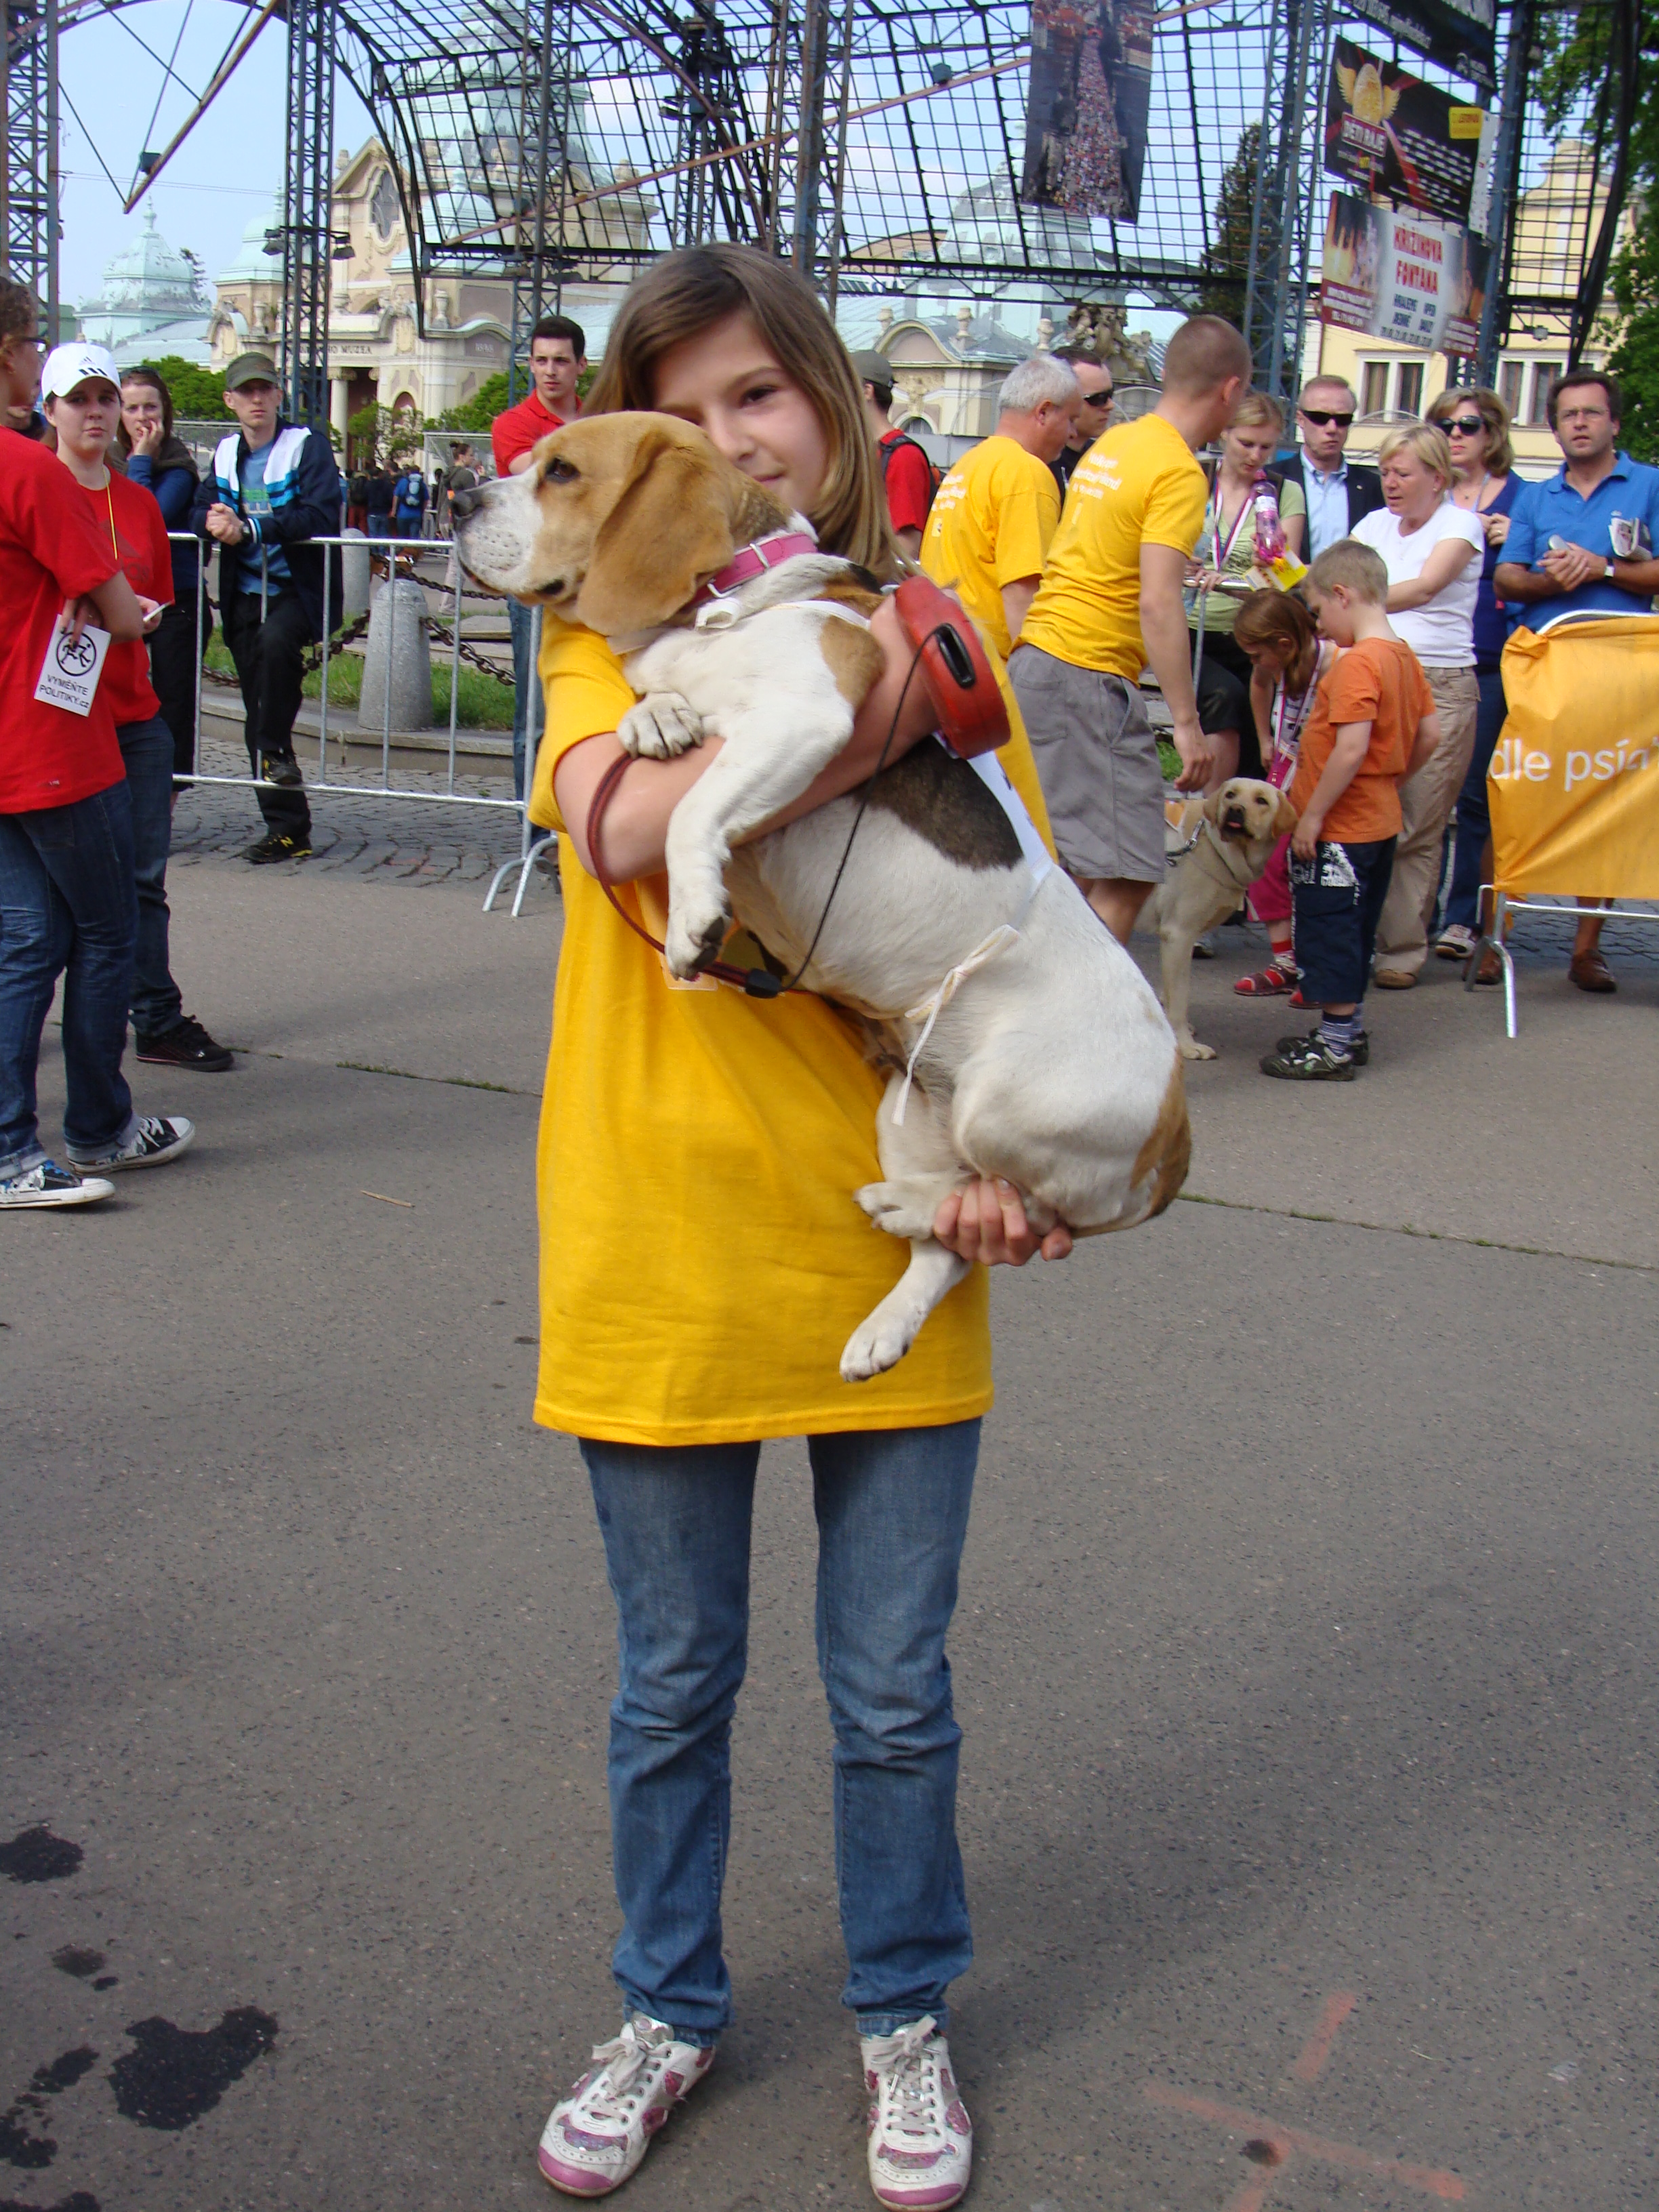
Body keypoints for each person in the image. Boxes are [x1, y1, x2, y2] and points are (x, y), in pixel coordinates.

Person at [523, 240, 1069, 2211]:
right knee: (672, 1681)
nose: (721, 439)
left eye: (757, 393)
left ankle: (901, 2009)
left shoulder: (910, 638)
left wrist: (1012, 1161)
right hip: (656, 1219)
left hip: (883, 1223)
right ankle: (666, 2002)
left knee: (894, 1688)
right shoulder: (607, 637)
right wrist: (889, 688)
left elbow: (992, 955)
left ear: (832, 414)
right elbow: (625, 829)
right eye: (672, 415)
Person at [0, 297, 193, 1208]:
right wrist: (113, 606)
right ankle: (96, 1128)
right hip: (48, 743)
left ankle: (15, 1145)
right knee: (107, 930)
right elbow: (121, 608)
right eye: (33, 350)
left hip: (32, 734)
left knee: (30, 940)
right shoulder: (27, 471)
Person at [1010, 314, 1246, 943]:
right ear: (1230, 391)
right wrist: (1188, 727)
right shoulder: (1178, 470)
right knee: (1131, 869)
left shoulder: (1116, 443)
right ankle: (1070, 1029)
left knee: (1074, 872)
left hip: (1038, 661)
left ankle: (1044, 1013)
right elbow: (1160, 604)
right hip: (1087, 675)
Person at [48, 349, 232, 1075]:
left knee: (142, 878)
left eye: (106, 400)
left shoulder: (134, 502)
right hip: (61, 718)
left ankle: (154, 1015)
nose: (97, 413)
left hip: (134, 714)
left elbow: (150, 591)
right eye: (83, 400)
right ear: (54, 409)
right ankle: (34, 1017)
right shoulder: (37, 488)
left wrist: (135, 614)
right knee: (51, 899)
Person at [1493, 369, 1659, 995]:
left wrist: (1605, 566)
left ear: (1615, 422)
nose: (1581, 423)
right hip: (1546, 665)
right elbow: (1508, 578)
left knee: (1609, 803)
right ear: (1555, 427)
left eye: (1592, 413)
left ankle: (1587, 946)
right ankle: (1497, 935)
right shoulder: (1536, 496)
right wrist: (1553, 580)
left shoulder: (1650, 485)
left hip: (1622, 668)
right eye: (1569, 415)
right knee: (1522, 790)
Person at [1261, 539, 1439, 1081]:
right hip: (1377, 818)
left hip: (1341, 825)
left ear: (1342, 595)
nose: (1317, 627)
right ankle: (1348, 1028)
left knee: (1329, 927)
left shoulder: (1358, 664)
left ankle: (1334, 1045)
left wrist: (1312, 816)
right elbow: (1429, 734)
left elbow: (1352, 746)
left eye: (1317, 612)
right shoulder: (1404, 657)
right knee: (1356, 929)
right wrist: (1391, 780)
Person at [191, 350, 342, 865]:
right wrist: (212, 519)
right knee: (257, 708)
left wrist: (253, 527)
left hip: (296, 594)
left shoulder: (307, 447)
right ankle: (288, 830)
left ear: (279, 395)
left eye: (265, 390)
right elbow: (198, 506)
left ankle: (275, 750)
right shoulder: (225, 453)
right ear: (231, 400)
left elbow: (320, 514)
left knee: (277, 652)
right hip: (242, 596)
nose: (257, 400)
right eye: (246, 392)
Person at [1347, 424, 1482, 989]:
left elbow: (1426, 587)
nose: (1391, 483)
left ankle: (1401, 948)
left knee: (1419, 819)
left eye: (1403, 473)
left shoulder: (1461, 524)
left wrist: (1355, 600)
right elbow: (1337, 579)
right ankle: (1348, 937)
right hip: (1372, 675)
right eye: (1385, 472)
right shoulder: (1373, 525)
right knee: (1360, 810)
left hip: (1439, 680)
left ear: (1437, 476)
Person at [1422, 387, 1521, 981]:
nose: (1458, 434)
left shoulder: (1521, 496)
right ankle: (1414, 912)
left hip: (1492, 654)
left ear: (1493, 433)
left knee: (1477, 796)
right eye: (1446, 424)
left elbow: (1533, 564)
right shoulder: (1427, 493)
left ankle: (1466, 918)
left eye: (1470, 425)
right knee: (1422, 791)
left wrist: (1517, 537)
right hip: (1429, 655)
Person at [919, 354, 1076, 660]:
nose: (1072, 434)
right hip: (994, 669)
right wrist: (1032, 679)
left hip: (948, 657)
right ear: (1043, 412)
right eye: (1071, 419)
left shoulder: (969, 464)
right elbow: (1024, 594)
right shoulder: (1026, 472)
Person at [1186, 392, 1307, 785]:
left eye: (1266, 447)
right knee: (1225, 699)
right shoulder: (1195, 480)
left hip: (1251, 630)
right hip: (1192, 627)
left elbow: (1287, 577)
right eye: (1246, 443)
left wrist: (1252, 576)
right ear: (1224, 433)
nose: (1256, 455)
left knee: (1259, 740)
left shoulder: (1283, 493)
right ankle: (1211, 815)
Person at [493, 313, 588, 808]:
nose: (550, 371)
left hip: (591, 581)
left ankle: (580, 830)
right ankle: (533, 835)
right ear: (530, 365)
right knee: (534, 714)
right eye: (541, 361)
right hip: (535, 579)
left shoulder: (599, 424)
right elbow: (537, 477)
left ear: (581, 367)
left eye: (560, 361)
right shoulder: (512, 424)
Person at [1229, 587, 1334, 995]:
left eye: (1257, 655)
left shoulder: (1335, 663)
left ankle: (1318, 963)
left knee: (1314, 861)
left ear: (1286, 645)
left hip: (1322, 768)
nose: (1255, 664)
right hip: (1287, 759)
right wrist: (1263, 737)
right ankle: (1285, 960)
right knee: (1266, 856)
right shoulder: (1274, 663)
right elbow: (1259, 683)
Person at [119, 365, 211, 791]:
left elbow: (144, 514)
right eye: (131, 407)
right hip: (121, 592)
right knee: (119, 696)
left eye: (150, 407)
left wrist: (141, 459)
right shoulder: (106, 459)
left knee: (174, 700)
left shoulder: (178, 464)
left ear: (165, 412)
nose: (142, 417)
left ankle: (167, 798)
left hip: (177, 594)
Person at [1278, 376, 1384, 559]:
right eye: (1320, 418)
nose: (1332, 428)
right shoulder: (1273, 479)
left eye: (1343, 419)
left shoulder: (1374, 487)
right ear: (1300, 419)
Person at [850, 349, 935, 557]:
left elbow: (906, 550)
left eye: (844, 386)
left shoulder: (903, 457)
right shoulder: (860, 453)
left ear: (866, 392)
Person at [1048, 344, 1115, 500]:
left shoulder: (1106, 458)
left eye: (1111, 394)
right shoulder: (1041, 460)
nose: (1110, 405)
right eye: (1098, 398)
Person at [441, 440, 478, 534]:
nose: (473, 458)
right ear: (462, 457)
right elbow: (473, 500)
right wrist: (482, 478)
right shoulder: (465, 475)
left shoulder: (446, 475)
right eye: (471, 455)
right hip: (459, 521)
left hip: (444, 518)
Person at [393, 459, 426, 539]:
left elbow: (396, 496)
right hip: (416, 515)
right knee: (414, 539)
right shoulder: (422, 483)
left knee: (403, 538)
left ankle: (404, 551)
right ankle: (413, 552)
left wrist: (394, 510)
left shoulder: (403, 481)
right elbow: (426, 500)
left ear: (409, 472)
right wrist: (422, 510)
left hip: (402, 514)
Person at [366, 462, 395, 541]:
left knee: (373, 533)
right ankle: (382, 551)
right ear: (380, 474)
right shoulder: (387, 484)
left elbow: (365, 497)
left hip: (372, 511)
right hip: (384, 512)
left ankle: (374, 552)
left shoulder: (368, 485)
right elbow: (390, 497)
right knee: (383, 533)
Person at [345, 464, 371, 533]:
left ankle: (351, 536)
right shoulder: (366, 481)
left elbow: (349, 492)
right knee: (363, 522)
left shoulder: (352, 480)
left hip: (353, 503)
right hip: (363, 504)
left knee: (352, 522)